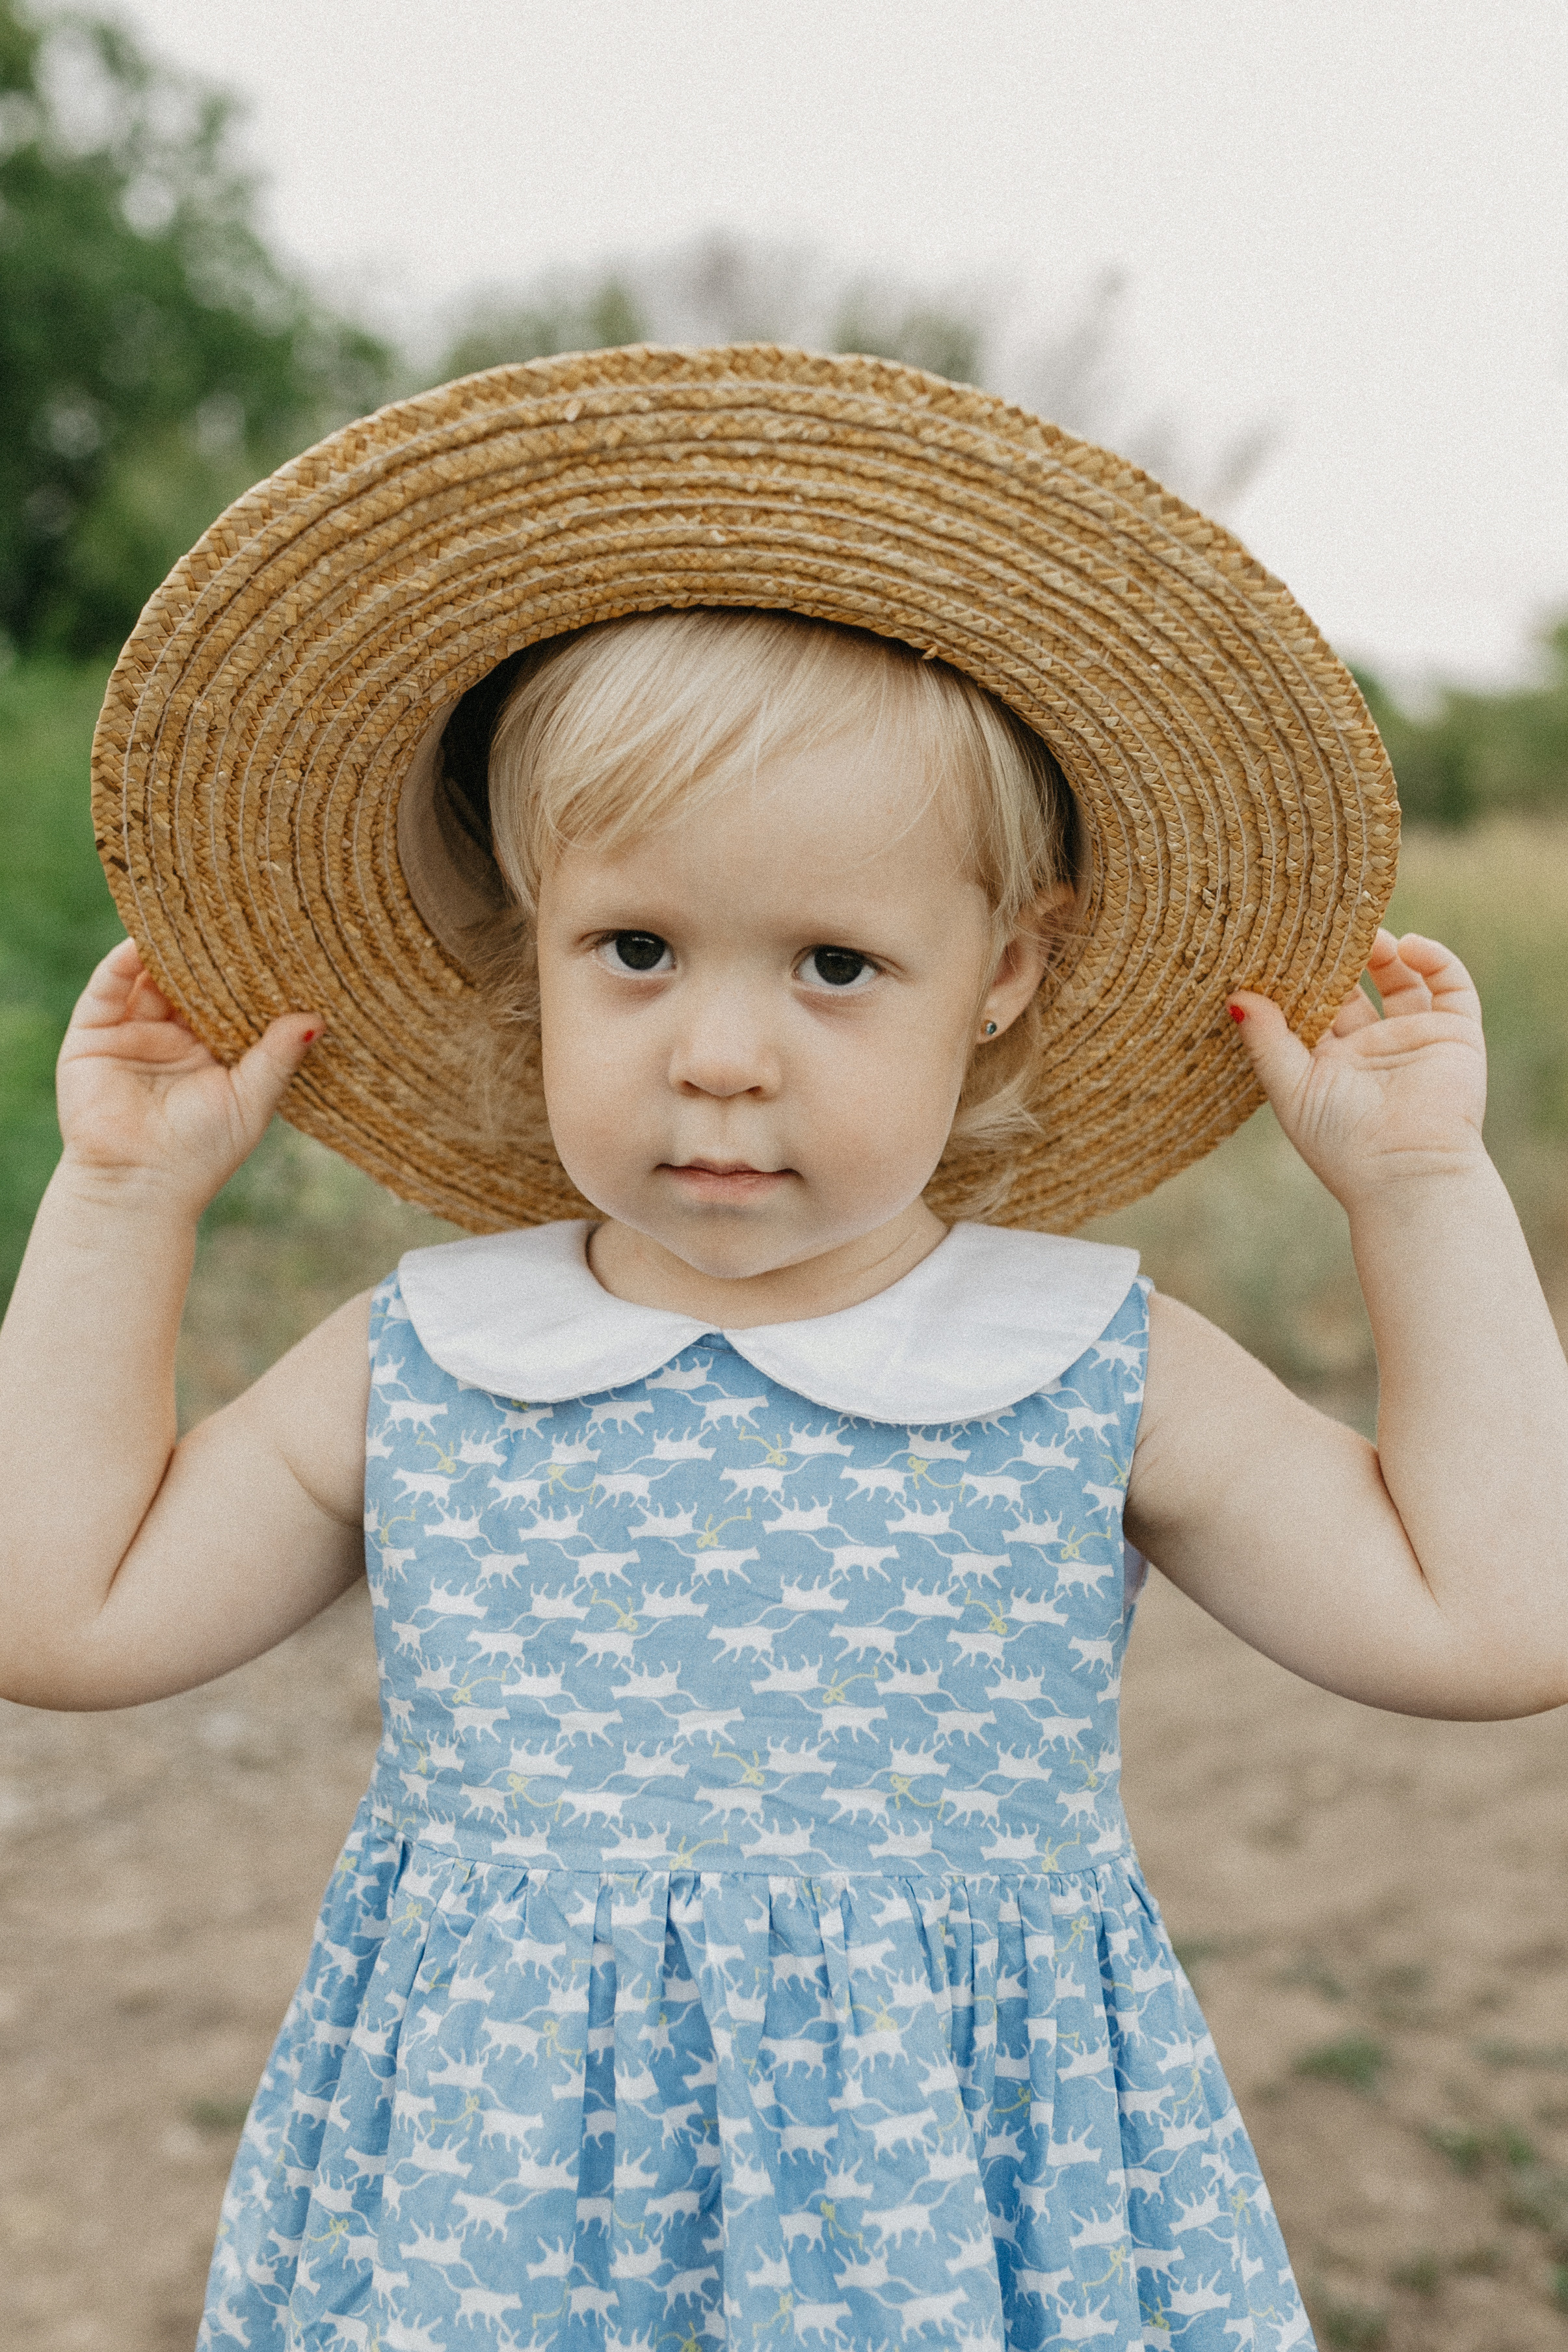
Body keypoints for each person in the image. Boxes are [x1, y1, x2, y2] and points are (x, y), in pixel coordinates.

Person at [3, 347, 1564, 2352]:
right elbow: (61, 1616)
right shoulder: (439, 1354)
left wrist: (1420, 1195)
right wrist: (124, 1204)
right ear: (526, 941)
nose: (719, 1052)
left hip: (945, 2226)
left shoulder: (1077, 1357)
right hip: (500, 2229)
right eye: (635, 949)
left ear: (1001, 975)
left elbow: (1494, 1626)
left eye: (836, 965)